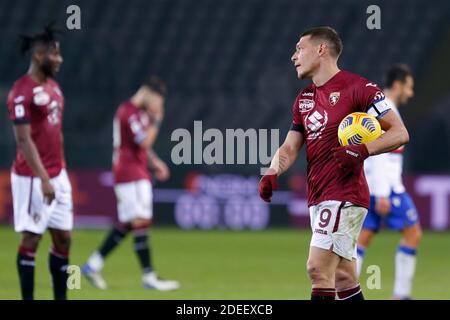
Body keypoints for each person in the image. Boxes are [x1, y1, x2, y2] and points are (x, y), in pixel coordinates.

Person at [258, 26, 409, 300]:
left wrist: (362, 150)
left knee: (317, 269)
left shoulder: (360, 88)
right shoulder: (304, 99)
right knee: (343, 277)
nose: (293, 56)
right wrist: (272, 170)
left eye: (299, 48)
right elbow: (291, 146)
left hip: (345, 195)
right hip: (319, 196)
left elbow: (399, 133)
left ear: (321, 49)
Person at [82, 76, 180, 291]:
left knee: (130, 223)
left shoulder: (139, 113)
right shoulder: (128, 112)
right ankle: (149, 276)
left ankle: (92, 265)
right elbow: (144, 141)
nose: (158, 106)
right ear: (147, 93)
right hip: (128, 172)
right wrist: (157, 120)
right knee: (139, 220)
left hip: (139, 170)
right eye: (158, 101)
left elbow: (143, 148)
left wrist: (155, 163)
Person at [7, 25, 72, 300]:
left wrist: (60, 172)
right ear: (39, 56)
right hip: (33, 177)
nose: (60, 59)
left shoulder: (55, 88)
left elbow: (56, 132)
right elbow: (23, 141)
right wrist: (44, 178)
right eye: (55, 54)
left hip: (58, 174)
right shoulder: (21, 93)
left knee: (64, 239)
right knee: (32, 239)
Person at [357, 64, 421, 300]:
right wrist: (383, 193)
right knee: (413, 233)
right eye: (409, 87)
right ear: (397, 85)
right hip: (386, 189)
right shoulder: (386, 110)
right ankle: (401, 295)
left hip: (372, 186)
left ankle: (342, 292)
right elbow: (381, 153)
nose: (411, 93)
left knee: (363, 238)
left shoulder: (380, 107)